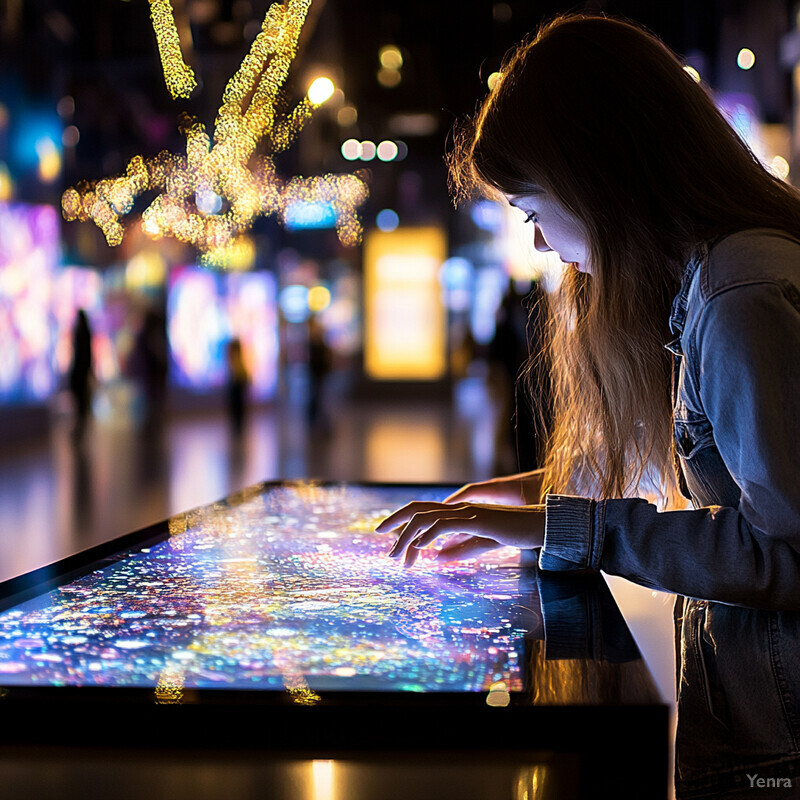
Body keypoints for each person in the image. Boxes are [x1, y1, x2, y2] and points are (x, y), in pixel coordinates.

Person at [378, 14, 800, 798]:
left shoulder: (740, 297)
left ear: (597, 174)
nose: (539, 243)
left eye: (534, 210)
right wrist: (536, 491)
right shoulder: (712, 284)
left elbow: (784, 551)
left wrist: (561, 526)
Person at [68, 309, 93, 441]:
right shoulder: (85, 334)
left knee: (80, 403)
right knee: (81, 402)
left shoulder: (80, 334)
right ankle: (80, 428)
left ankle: (80, 428)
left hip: (79, 373)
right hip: (81, 373)